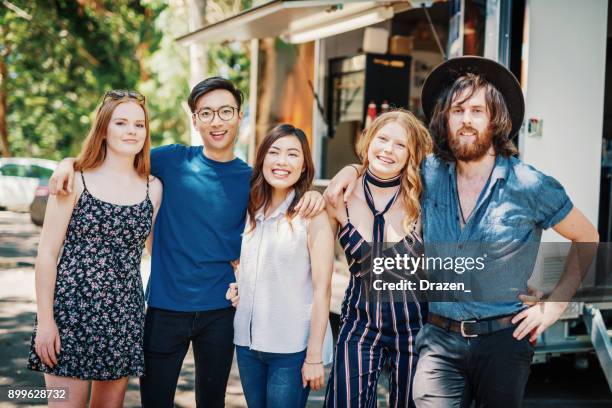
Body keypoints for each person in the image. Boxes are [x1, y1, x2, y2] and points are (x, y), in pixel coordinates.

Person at [324, 56, 599, 408]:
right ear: (445, 118)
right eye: (457, 110)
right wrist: (349, 170)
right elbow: (386, 161)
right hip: (438, 339)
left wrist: (554, 306)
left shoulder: (530, 185)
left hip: (504, 340)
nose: (466, 120)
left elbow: (586, 236)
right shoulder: (429, 174)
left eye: (477, 111)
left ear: (495, 118)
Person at [48, 77, 325, 407]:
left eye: (226, 111)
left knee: (212, 401)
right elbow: (116, 153)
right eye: (206, 113)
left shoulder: (252, 179)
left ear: (239, 116)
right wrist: (69, 163)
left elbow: (287, 186)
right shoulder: (170, 160)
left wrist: (315, 195)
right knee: (155, 401)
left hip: (220, 312)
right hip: (165, 306)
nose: (216, 121)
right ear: (194, 120)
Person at [28, 90, 163, 407]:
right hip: (68, 315)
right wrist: (45, 322)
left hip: (123, 317)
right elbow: (47, 254)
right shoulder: (73, 179)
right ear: (104, 128)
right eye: (121, 122)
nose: (131, 131)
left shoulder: (153, 188)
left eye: (139, 125)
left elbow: (158, 250)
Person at [323, 110, 432, 408]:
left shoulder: (424, 197)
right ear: (368, 140)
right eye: (382, 139)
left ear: (411, 154)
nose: (388, 149)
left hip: (414, 327)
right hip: (360, 323)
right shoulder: (338, 196)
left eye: (401, 145)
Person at [226, 124, 334, 408]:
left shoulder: (313, 216)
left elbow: (323, 291)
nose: (282, 162)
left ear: (304, 165)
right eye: (274, 152)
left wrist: (313, 357)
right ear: (262, 160)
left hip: (291, 348)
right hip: (248, 344)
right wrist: (239, 285)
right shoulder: (251, 211)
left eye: (292, 154)